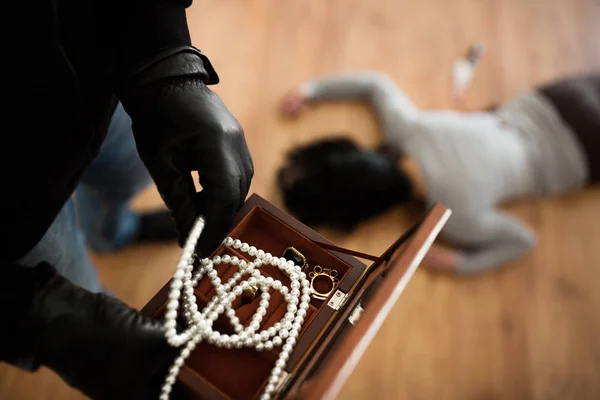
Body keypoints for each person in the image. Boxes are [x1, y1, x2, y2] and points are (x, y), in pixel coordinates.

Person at [2, 1, 253, 399]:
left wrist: (168, 60)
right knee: (79, 287)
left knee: (128, 176)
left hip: (106, 77)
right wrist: (33, 315)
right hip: (13, 232)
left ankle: (117, 232)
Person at [278, 72, 599, 275]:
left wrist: (456, 263)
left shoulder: (453, 216)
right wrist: (310, 89)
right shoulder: (405, 129)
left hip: (582, 154)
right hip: (557, 102)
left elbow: (522, 240)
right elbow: (375, 84)